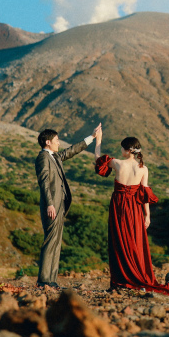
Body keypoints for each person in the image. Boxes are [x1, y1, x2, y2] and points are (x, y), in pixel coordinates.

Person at [94, 131, 169, 295]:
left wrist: (99, 140)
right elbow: (144, 194)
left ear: (127, 150)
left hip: (119, 205)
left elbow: (98, 159)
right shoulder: (143, 168)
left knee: (119, 240)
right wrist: (148, 215)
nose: (121, 151)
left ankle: (122, 278)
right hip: (134, 208)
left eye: (122, 148)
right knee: (134, 240)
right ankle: (136, 274)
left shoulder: (118, 163)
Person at [35, 124, 101, 289]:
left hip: (60, 205)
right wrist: (50, 204)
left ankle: (51, 280)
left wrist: (91, 137)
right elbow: (44, 183)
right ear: (48, 142)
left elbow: (71, 151)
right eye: (56, 140)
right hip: (52, 206)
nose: (59, 143)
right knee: (50, 241)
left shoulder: (54, 156)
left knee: (57, 242)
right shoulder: (43, 157)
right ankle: (43, 280)